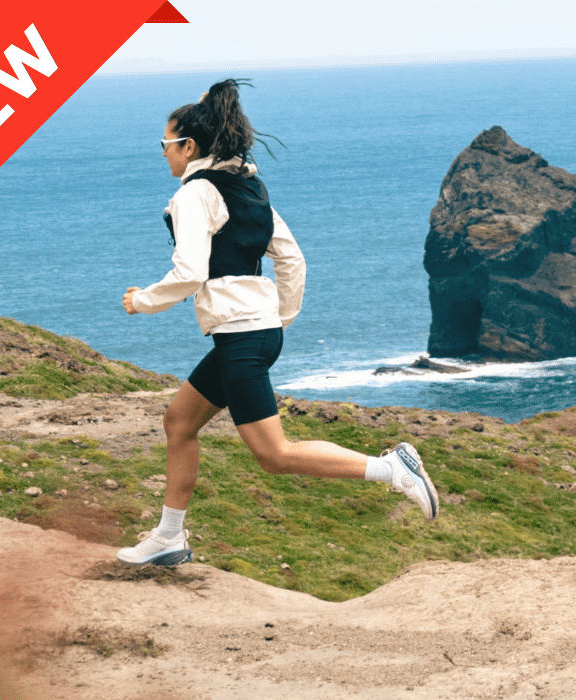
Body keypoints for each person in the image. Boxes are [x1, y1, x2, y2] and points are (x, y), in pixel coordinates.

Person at [115, 78, 440, 567]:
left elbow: (189, 273)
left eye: (164, 145)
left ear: (187, 146)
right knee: (179, 422)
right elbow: (292, 260)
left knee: (274, 455)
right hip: (254, 333)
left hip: (243, 336)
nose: (162, 154)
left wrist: (142, 301)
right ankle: (168, 538)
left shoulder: (193, 195)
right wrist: (279, 319)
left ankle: (392, 468)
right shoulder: (249, 189)